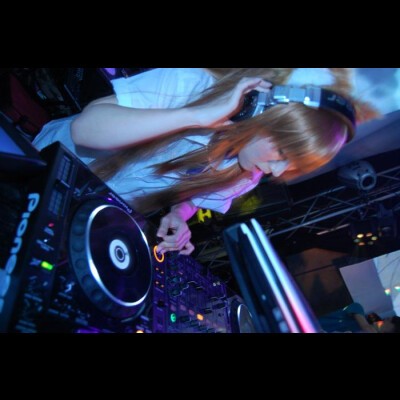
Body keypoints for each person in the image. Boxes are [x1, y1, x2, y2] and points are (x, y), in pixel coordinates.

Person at [32, 68, 378, 256]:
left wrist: (177, 214)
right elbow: (85, 131)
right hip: (44, 167)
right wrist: (195, 115)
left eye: (291, 168)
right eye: (283, 155)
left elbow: (194, 198)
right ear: (266, 112)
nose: (276, 171)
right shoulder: (191, 84)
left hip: (86, 209)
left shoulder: (248, 174)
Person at [318, 302, 400, 333]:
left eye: (391, 321)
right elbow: (366, 327)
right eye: (388, 318)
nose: (385, 319)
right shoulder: (358, 309)